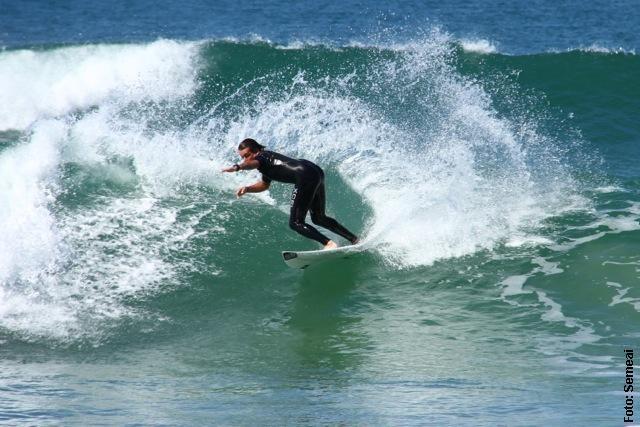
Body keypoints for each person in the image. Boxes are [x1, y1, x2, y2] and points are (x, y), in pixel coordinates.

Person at [222, 138, 359, 250]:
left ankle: (328, 244)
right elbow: (264, 185)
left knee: (295, 223)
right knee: (318, 218)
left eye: (247, 155)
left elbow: (250, 165)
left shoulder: (262, 157)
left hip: (305, 175)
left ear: (256, 151)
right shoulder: (266, 164)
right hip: (314, 171)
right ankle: (354, 239)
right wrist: (247, 189)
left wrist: (237, 167)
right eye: (242, 158)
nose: (245, 159)